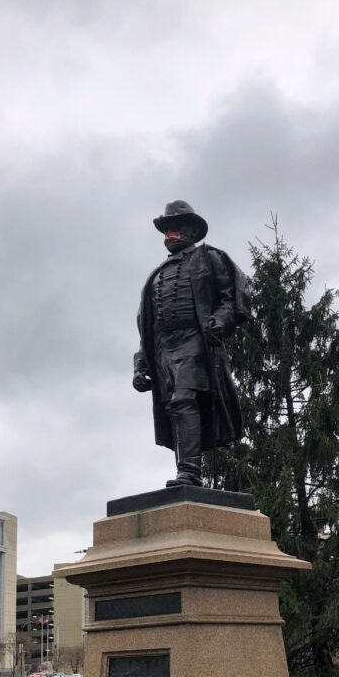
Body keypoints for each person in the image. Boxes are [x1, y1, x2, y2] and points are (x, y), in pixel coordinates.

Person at [133, 200, 251, 486]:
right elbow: (147, 326)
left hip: (196, 340)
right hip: (163, 349)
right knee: (174, 408)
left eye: (175, 228)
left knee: (184, 399)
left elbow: (231, 298)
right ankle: (186, 471)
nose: (170, 234)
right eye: (167, 229)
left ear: (191, 231)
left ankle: (189, 472)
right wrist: (141, 364)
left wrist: (220, 321)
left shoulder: (210, 258)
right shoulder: (156, 276)